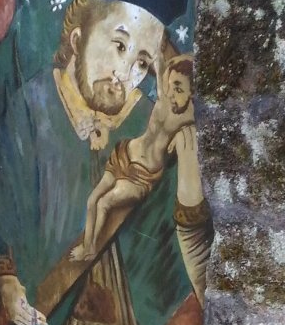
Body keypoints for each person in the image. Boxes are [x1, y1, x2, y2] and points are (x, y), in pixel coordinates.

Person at [0, 0, 209, 325]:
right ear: (78, 38)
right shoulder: (32, 109)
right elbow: (5, 211)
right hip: (46, 322)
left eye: (143, 63)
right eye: (119, 47)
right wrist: (7, 280)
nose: (124, 74)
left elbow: (173, 240)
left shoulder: (149, 121)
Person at [71, 56, 196, 261]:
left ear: (192, 94)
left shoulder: (188, 117)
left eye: (180, 90)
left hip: (142, 174)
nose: (172, 94)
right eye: (172, 86)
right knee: (92, 199)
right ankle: (87, 246)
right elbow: (160, 60)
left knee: (105, 203)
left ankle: (90, 249)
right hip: (125, 152)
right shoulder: (164, 98)